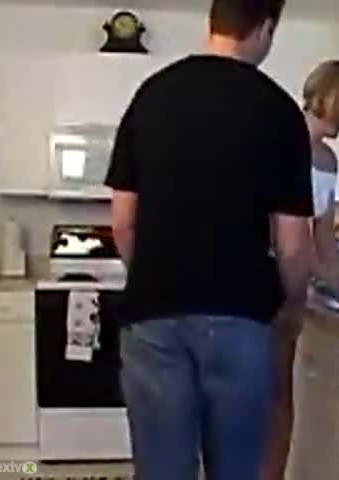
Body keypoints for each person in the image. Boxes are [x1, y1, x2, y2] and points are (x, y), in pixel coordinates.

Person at [103, 1, 315, 479]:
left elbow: (122, 222)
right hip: (240, 318)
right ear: (265, 28)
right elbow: (293, 244)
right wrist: (292, 308)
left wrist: (152, 275)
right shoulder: (278, 110)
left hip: (154, 317)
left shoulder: (152, 96)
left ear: (213, 22)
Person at [261, 60, 339, 480]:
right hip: (264, 286)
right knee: (265, 400)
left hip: (279, 287)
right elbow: (303, 244)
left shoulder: (324, 159)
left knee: (271, 398)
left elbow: (324, 248)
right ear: (338, 100)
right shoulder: (279, 143)